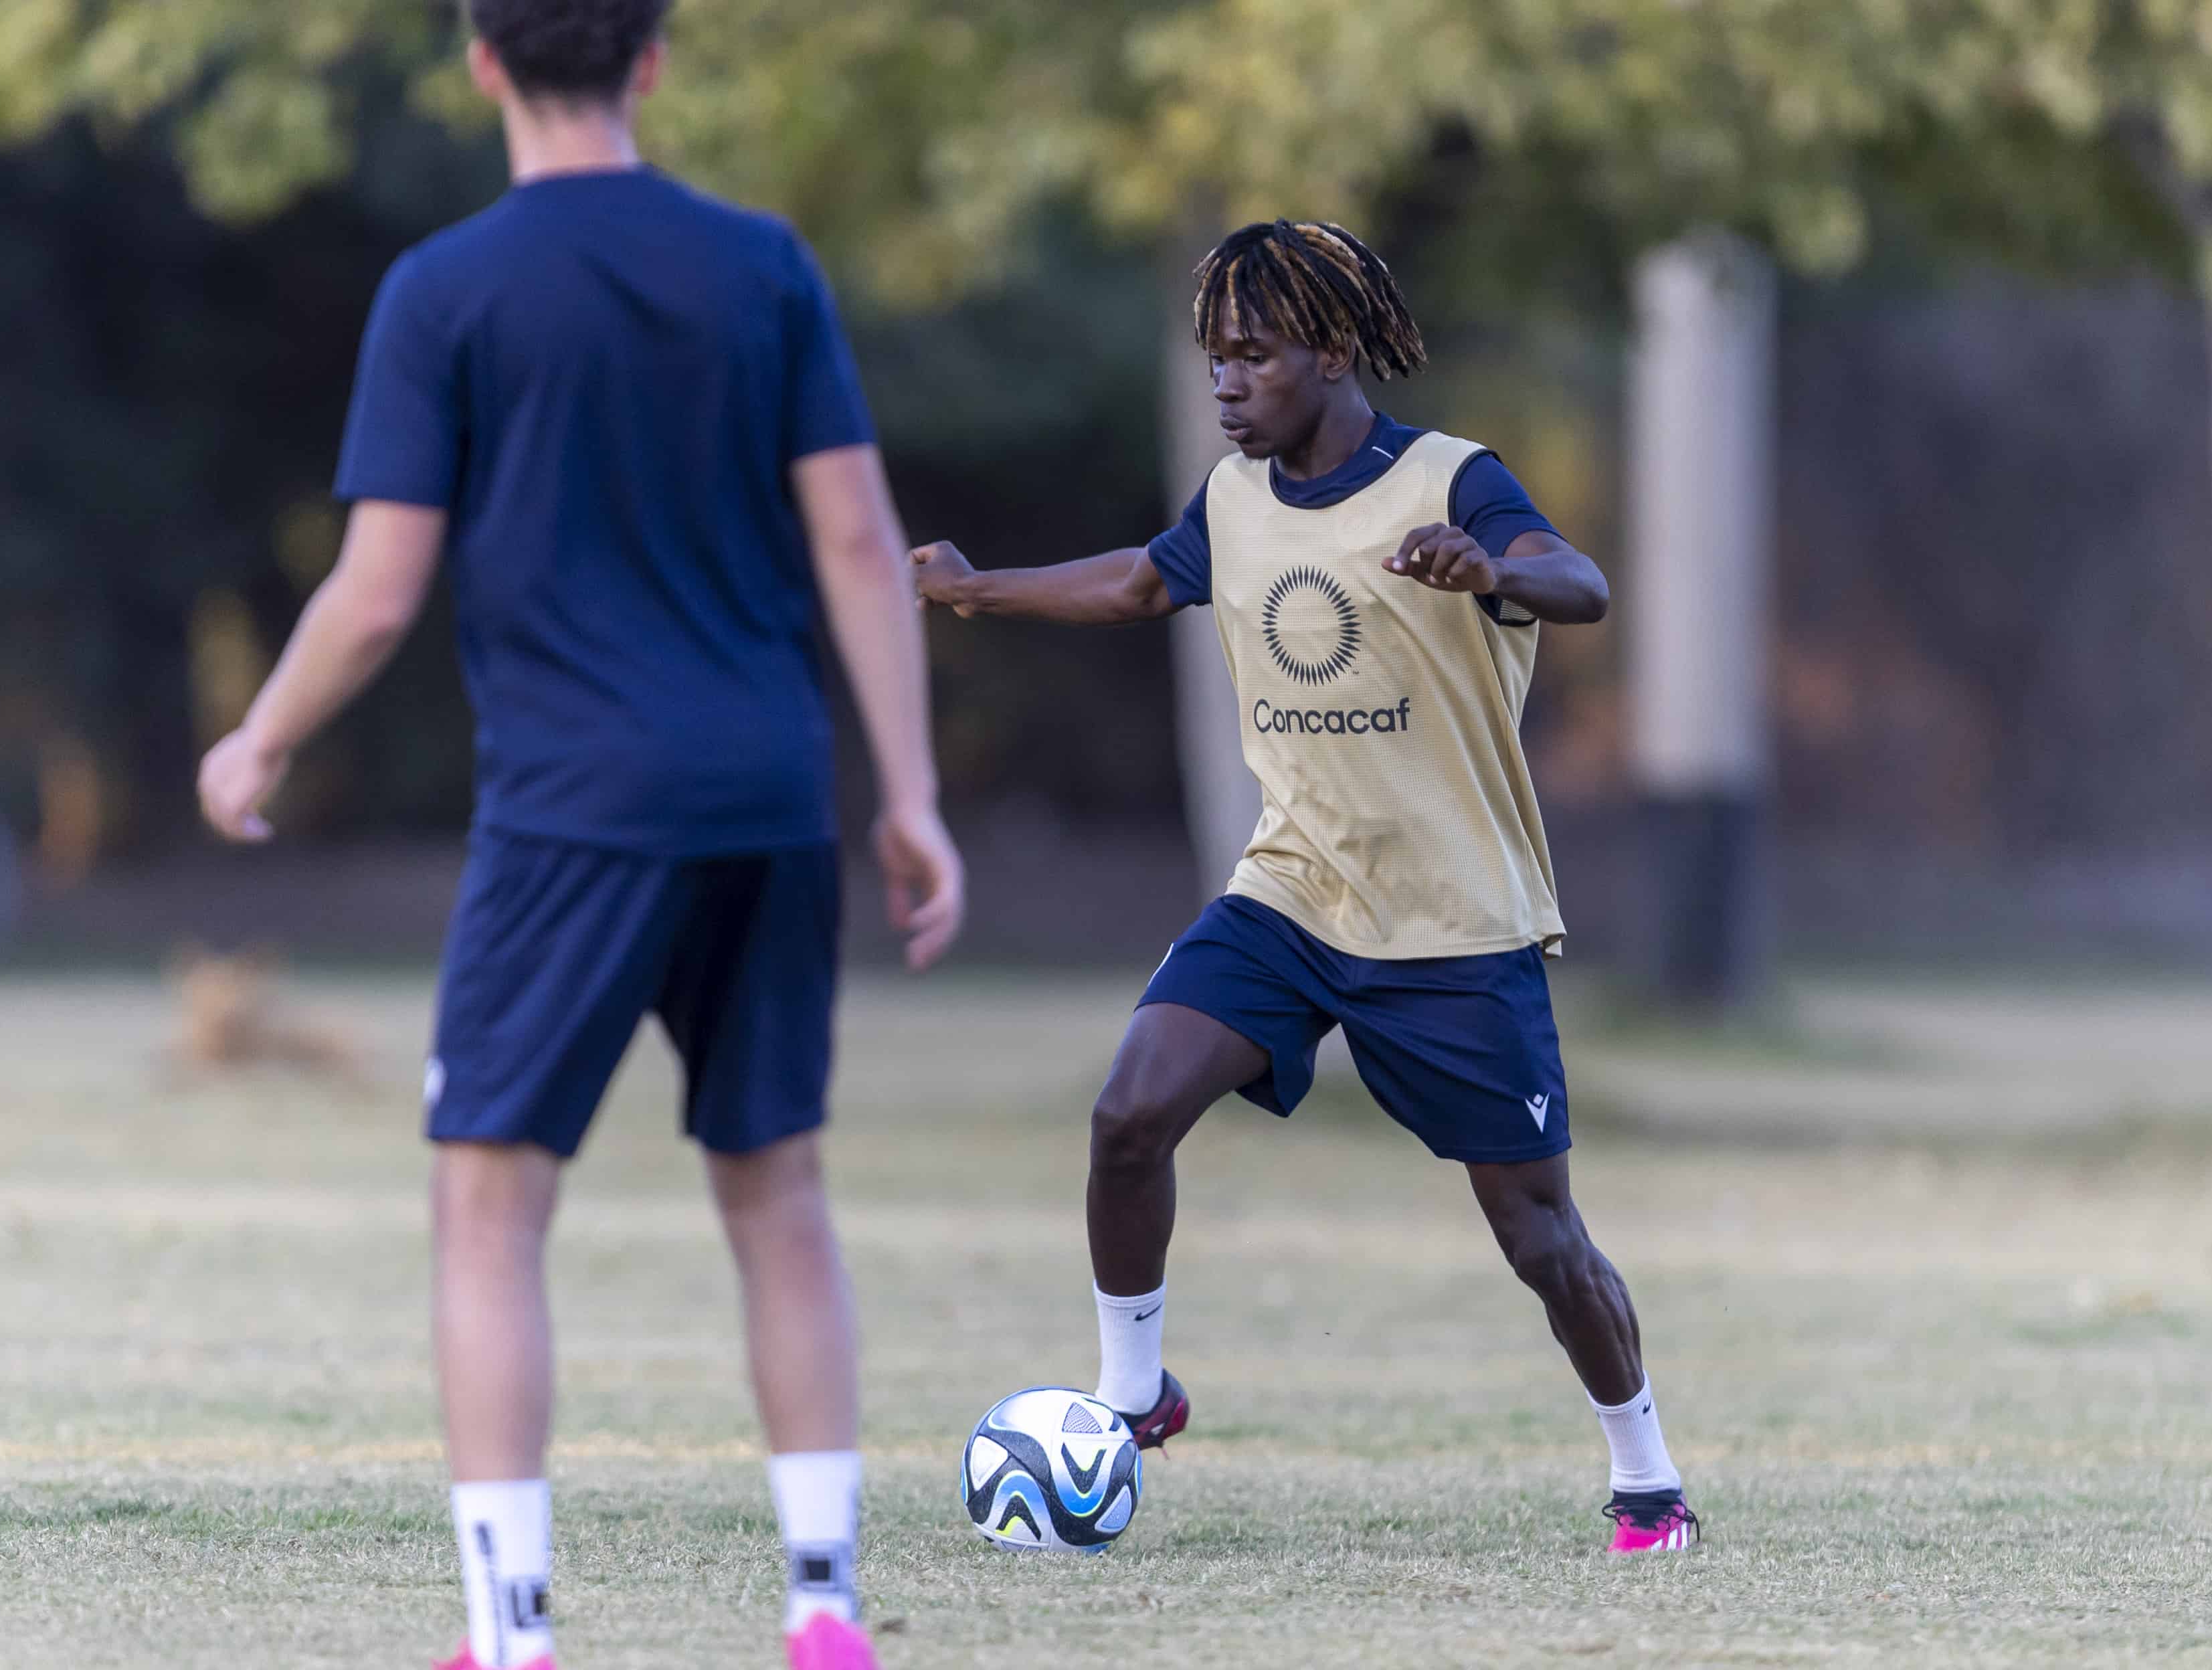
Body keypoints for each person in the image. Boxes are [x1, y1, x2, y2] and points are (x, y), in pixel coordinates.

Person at [195, 3, 963, 1665]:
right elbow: (855, 538)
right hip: (767, 790)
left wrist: (259, 734)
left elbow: (382, 587)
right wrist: (906, 794)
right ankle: (825, 1610)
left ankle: (513, 1632)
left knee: (489, 1207)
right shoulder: (765, 267)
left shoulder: (446, 289)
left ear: (481, 63)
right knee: (778, 1193)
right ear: (652, 62)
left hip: (573, 811)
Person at [911, 220, 1696, 1555]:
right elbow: (1138, 584)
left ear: (1332, 354)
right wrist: (979, 590)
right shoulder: (1232, 502)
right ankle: (1132, 1394)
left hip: (1453, 927)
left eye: (1252, 356)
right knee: (1127, 1114)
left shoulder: (1454, 481)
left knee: (1542, 1240)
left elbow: (1585, 583)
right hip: (1291, 893)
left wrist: (1493, 567)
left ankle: (1649, 1484)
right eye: (1214, 358)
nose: (1226, 383)